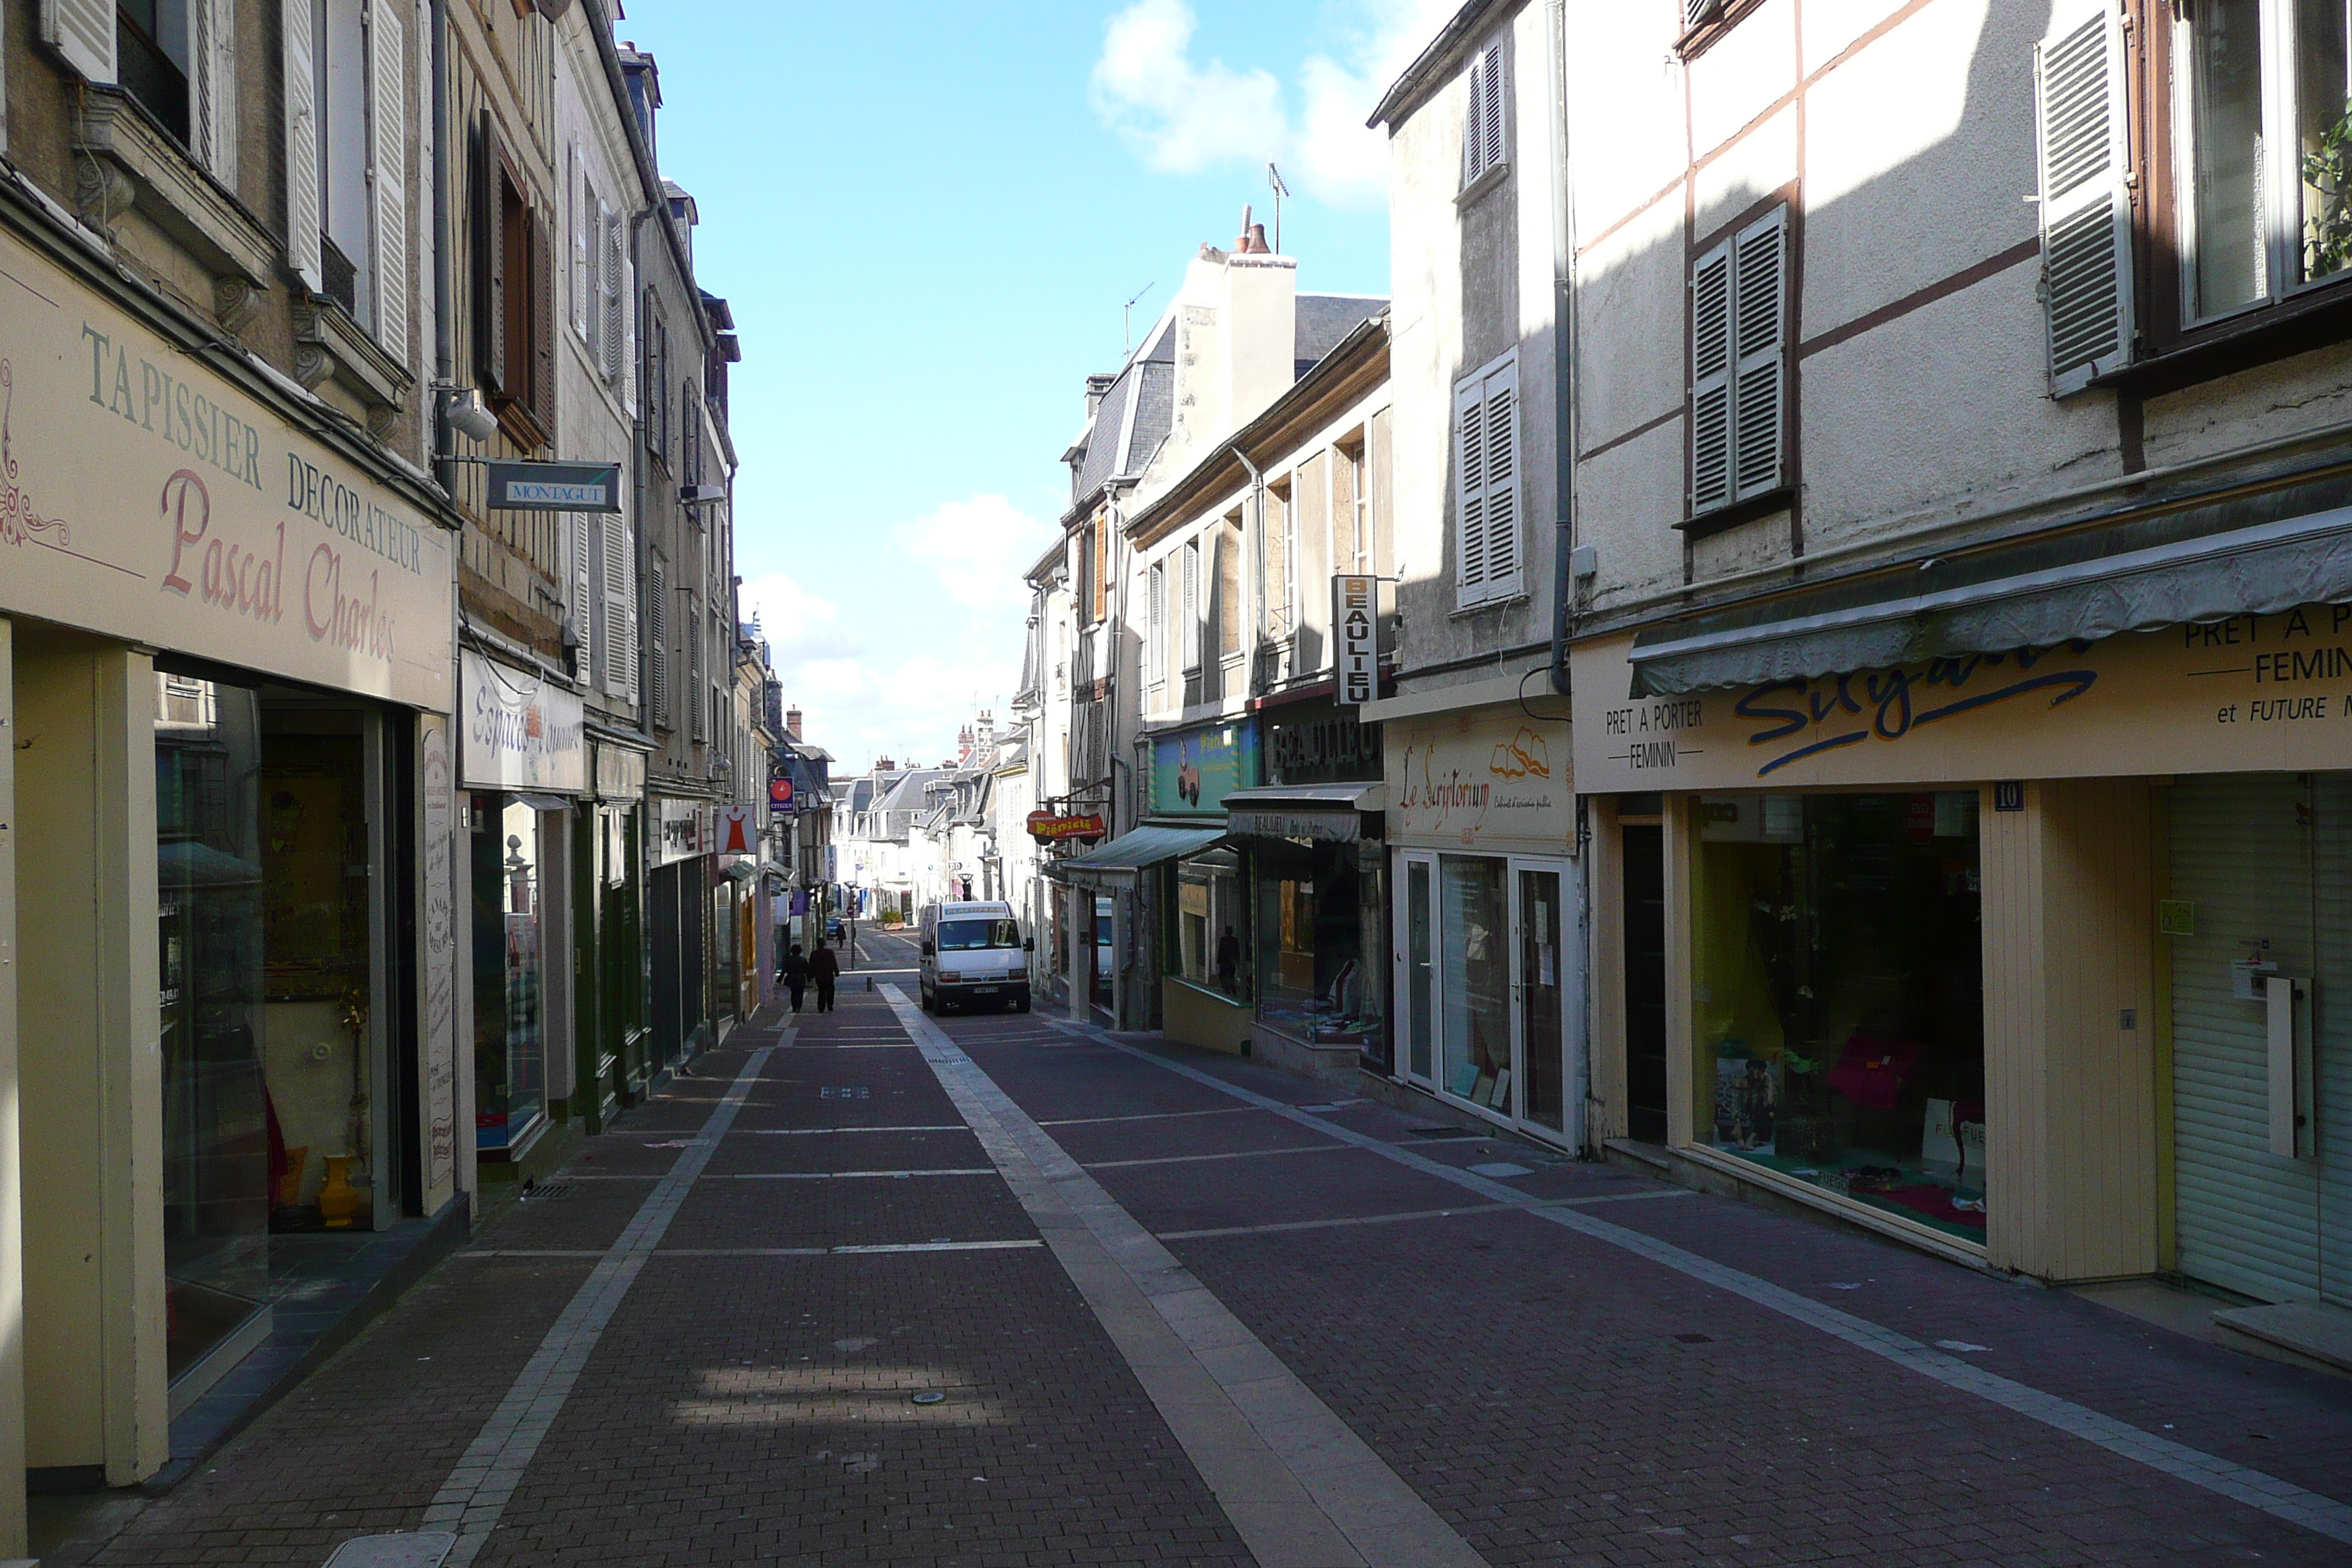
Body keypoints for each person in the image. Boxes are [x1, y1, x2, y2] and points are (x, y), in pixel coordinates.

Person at [778, 943, 810, 1014]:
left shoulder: (789, 960)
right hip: (801, 978)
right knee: (800, 993)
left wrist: (780, 979)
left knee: (793, 993)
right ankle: (798, 1006)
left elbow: (784, 971)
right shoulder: (803, 960)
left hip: (791, 978)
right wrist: (809, 978)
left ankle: (794, 1006)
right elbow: (807, 970)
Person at [810, 940, 840, 1014]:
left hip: (819, 976)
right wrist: (836, 972)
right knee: (830, 990)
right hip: (829, 975)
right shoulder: (830, 952)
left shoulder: (814, 953)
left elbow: (812, 965)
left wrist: (811, 975)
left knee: (821, 991)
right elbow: (834, 962)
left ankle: (821, 1007)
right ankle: (830, 1004)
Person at [1216, 924, 1240, 996]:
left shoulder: (1223, 939)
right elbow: (1237, 951)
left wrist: (1219, 961)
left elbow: (1221, 951)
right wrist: (1237, 960)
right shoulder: (1234, 940)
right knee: (1231, 976)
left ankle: (1227, 989)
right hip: (1231, 961)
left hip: (1224, 961)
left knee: (1223, 975)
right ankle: (1233, 990)